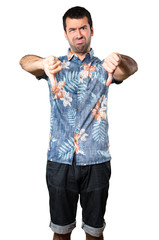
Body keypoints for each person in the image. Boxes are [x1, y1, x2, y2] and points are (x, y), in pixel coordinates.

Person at [19, 6, 138, 240]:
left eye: (83, 27)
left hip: (96, 161)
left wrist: (120, 59)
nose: (78, 34)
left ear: (91, 29)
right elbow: (24, 62)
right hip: (59, 161)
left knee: (95, 233)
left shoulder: (106, 67)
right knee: (60, 233)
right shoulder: (55, 66)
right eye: (72, 29)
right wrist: (42, 62)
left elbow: (130, 69)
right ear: (65, 34)